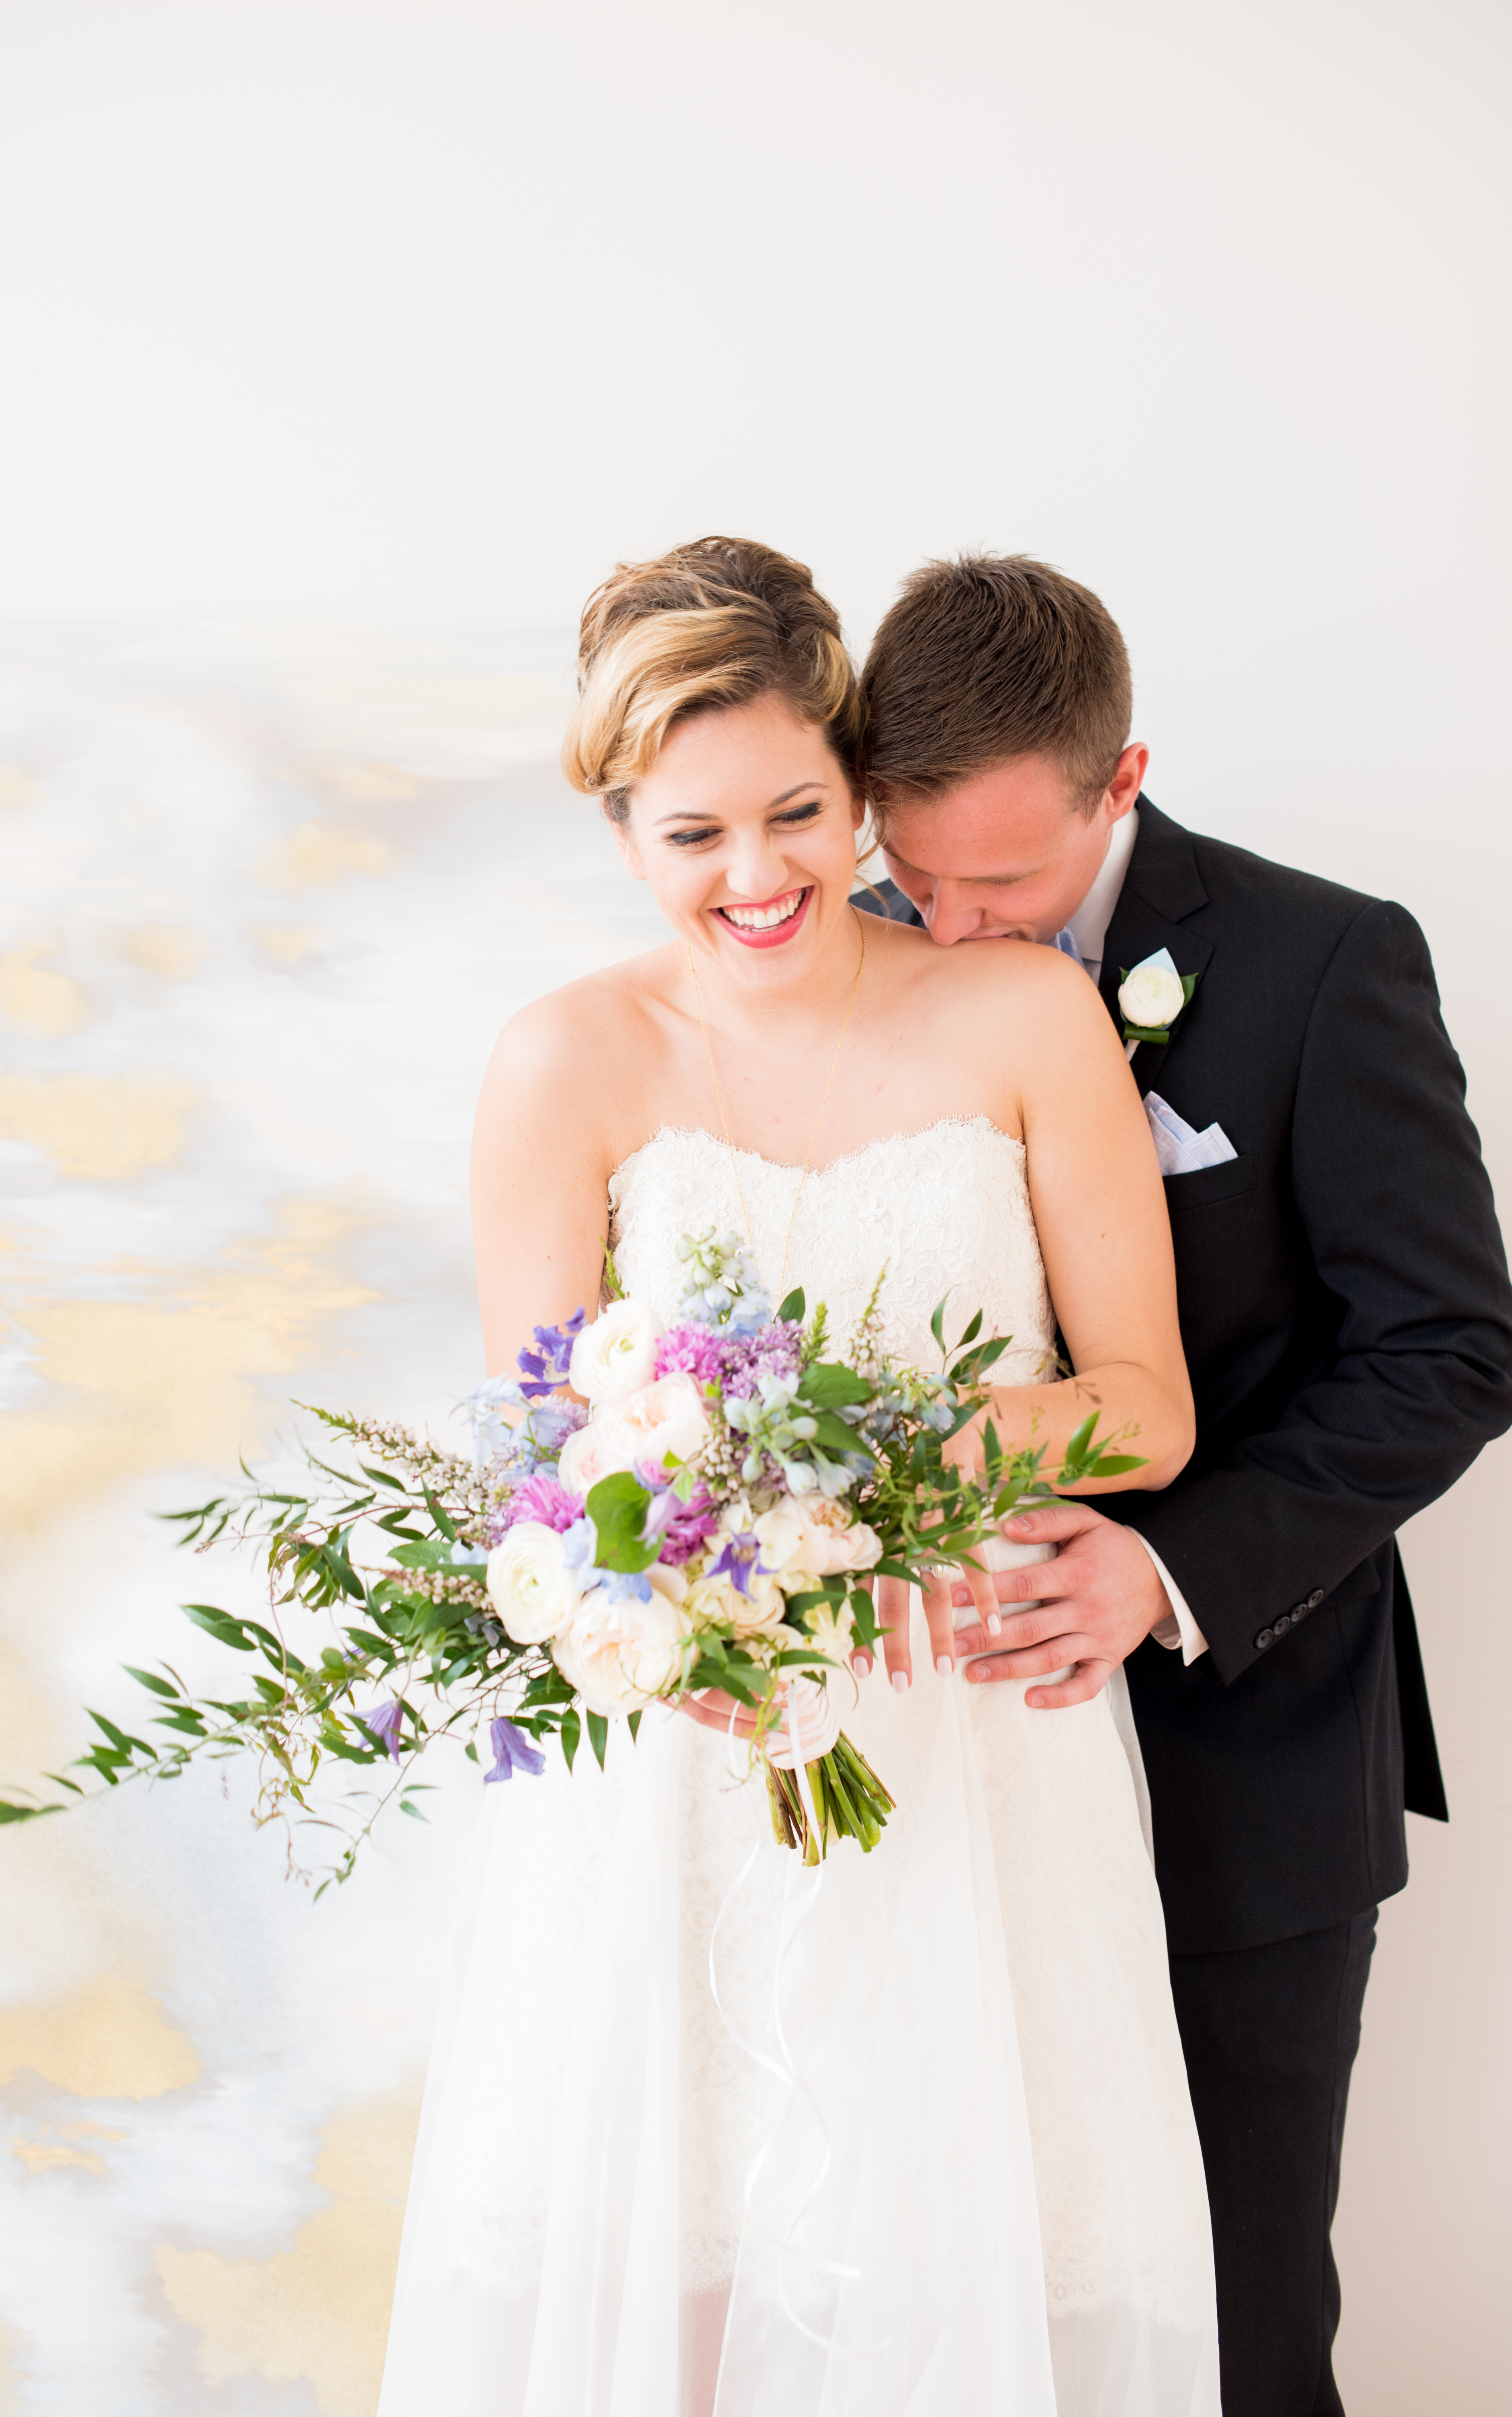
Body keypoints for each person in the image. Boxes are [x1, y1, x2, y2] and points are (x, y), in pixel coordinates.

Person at [377, 538, 1222, 2416]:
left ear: (854, 794)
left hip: (973, 1740)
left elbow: (1143, 1404)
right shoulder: (562, 1063)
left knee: (961, 2272)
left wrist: (884, 1465)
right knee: (667, 2286)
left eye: (793, 815)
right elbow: (547, 1460)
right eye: (690, 835)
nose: (754, 877)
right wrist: (671, 1564)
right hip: (684, 1760)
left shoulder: (1019, 1021)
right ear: (616, 831)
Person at [852, 552, 1512, 2417]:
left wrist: (1172, 1572)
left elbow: (1451, 1348)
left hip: (1246, 1765)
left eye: (1004, 884)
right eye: (914, 877)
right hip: (929, 1774)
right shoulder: (839, 952)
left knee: (1225, 2330)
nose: (951, 928)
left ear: (1119, 775)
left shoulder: (1323, 960)